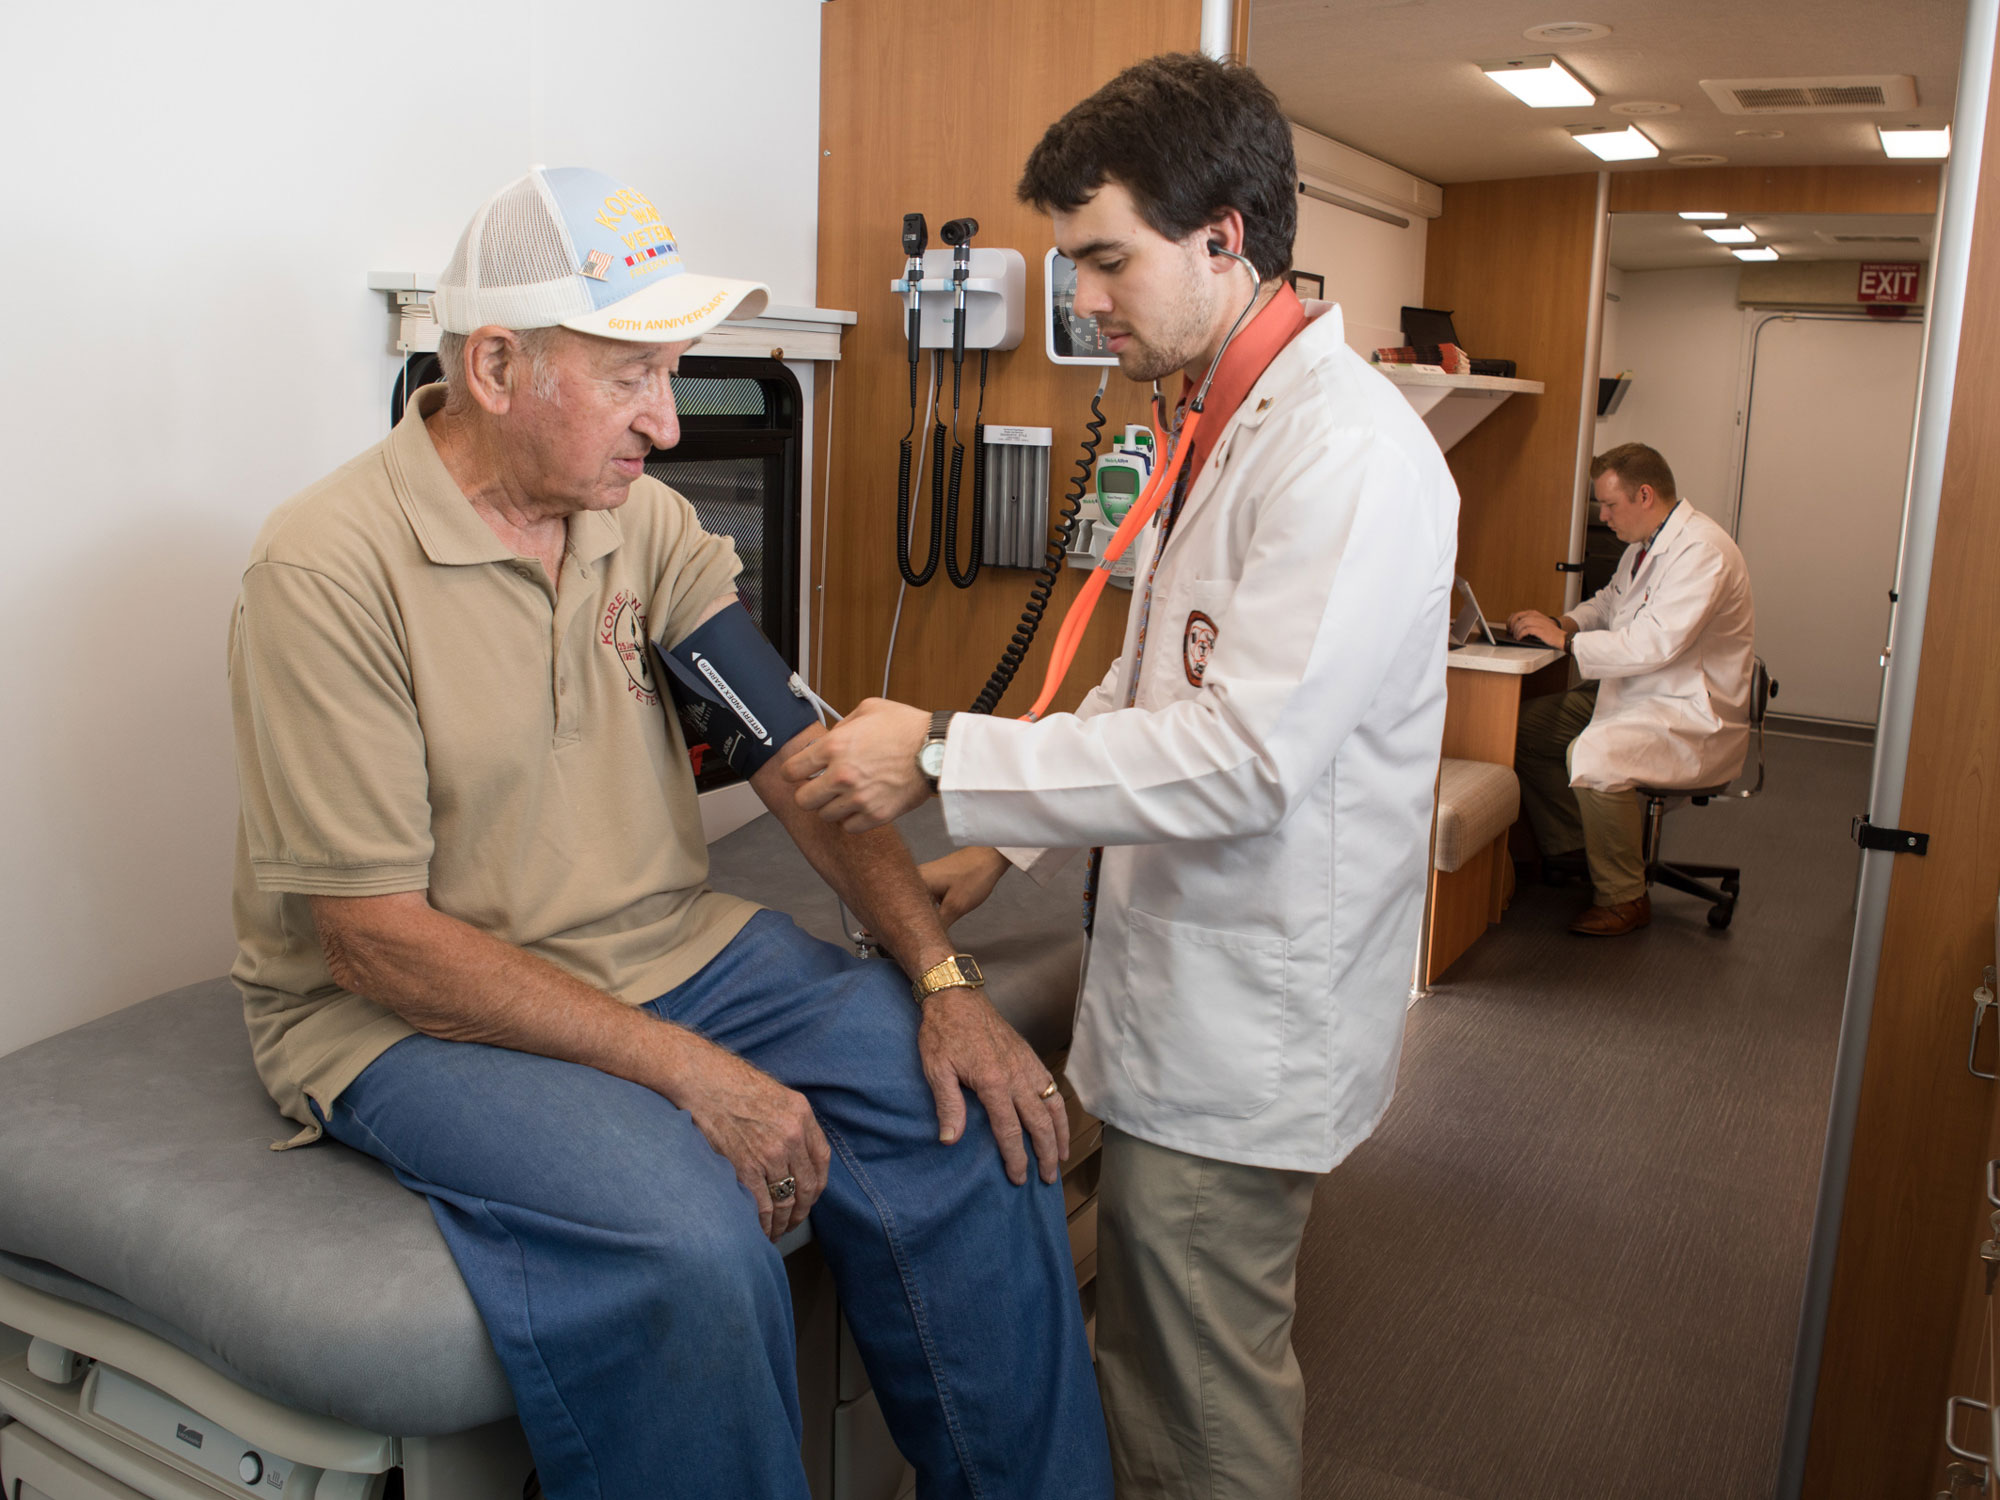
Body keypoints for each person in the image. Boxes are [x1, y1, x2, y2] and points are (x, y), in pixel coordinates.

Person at [226, 166, 1110, 1500]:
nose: (668, 422)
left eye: (678, 375)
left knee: (965, 1117)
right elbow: (375, 945)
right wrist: (688, 1073)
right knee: (693, 1244)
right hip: (410, 1016)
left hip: (668, 947)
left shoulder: (642, 525)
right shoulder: (326, 570)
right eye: (635, 376)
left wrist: (940, 978)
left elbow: (801, 767)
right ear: (499, 363)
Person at [785, 55, 1459, 1500]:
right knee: (1154, 1357)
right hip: (1182, 984)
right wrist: (1000, 853)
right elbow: (1148, 686)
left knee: (1195, 1405)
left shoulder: (1347, 458)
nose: (1081, 301)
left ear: (1225, 236)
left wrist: (949, 755)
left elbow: (1243, 755)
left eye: (1105, 260)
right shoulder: (1217, 421)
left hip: (1246, 1026)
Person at [1506, 443, 1756, 936]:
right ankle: (1583, 846)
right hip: (1638, 691)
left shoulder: (1701, 551)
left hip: (1687, 708)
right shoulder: (1645, 546)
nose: (1602, 515)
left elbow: (1654, 644)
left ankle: (1625, 896)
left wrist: (1568, 642)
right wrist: (1563, 621)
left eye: (1609, 504)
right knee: (1525, 731)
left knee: (1594, 753)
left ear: (1645, 495)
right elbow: (1609, 603)